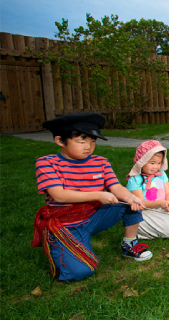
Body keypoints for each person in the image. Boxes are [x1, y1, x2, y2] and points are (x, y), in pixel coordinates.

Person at [32, 113, 152, 282]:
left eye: (93, 141)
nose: (88, 146)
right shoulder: (47, 163)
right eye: (82, 141)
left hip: (94, 217)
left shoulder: (101, 162)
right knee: (80, 273)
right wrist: (98, 195)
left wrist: (131, 197)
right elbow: (58, 195)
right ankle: (60, 244)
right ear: (60, 141)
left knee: (128, 203)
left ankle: (129, 244)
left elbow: (116, 187)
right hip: (67, 224)